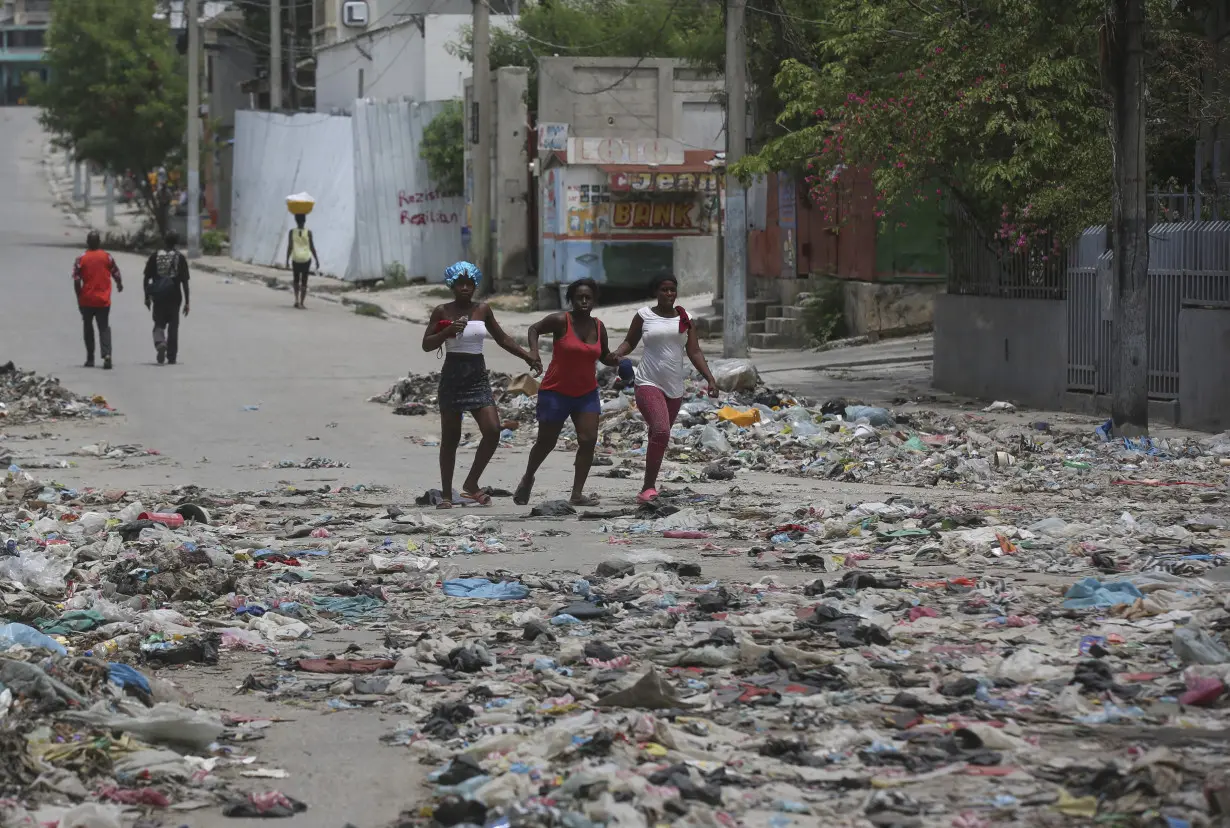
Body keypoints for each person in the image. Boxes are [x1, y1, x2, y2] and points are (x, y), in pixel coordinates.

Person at [421, 261, 540, 509]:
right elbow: (427, 344)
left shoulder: (483, 309)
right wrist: (447, 332)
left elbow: (502, 338)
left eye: (470, 283)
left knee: (493, 429)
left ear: (475, 285)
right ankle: (445, 494)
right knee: (450, 439)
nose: (465, 288)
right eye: (460, 284)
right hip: (453, 375)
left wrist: (527, 355)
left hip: (477, 376)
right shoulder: (442, 311)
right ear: (452, 285)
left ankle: (471, 482)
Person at [612, 274, 720, 504]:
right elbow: (630, 341)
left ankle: (647, 484)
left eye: (672, 290)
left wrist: (710, 379)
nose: (669, 294)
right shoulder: (644, 316)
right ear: (656, 292)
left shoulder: (685, 318)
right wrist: (619, 353)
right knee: (661, 431)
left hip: (674, 388)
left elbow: (694, 352)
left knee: (657, 435)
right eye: (664, 290)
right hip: (648, 382)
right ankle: (648, 488)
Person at [514, 278, 620, 507]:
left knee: (589, 439)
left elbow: (603, 355)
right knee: (546, 442)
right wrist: (533, 352)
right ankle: (528, 477)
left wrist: (616, 359)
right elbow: (534, 329)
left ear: (594, 300)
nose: (583, 301)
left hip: (586, 393)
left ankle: (577, 493)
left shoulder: (599, 327)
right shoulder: (561, 320)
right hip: (556, 392)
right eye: (579, 297)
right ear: (571, 300)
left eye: (588, 297)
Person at [72, 230, 123, 369]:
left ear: (87, 242)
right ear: (99, 242)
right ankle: (107, 354)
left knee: (88, 328)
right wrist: (119, 283)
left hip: (87, 300)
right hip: (103, 300)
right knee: (104, 327)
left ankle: (90, 358)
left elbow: (76, 280)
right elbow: (116, 272)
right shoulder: (107, 257)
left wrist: (79, 298)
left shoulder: (80, 259)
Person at [143, 231, 191, 365]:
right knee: (173, 327)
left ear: (164, 241)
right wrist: (187, 302)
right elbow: (185, 282)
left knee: (159, 323)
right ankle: (171, 356)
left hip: (159, 297)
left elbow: (146, 278)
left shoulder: (155, 256)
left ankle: (160, 343)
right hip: (175, 297)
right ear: (176, 242)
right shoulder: (180, 258)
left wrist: (147, 297)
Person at [285, 214, 319, 309]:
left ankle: (296, 300)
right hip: (305, 259)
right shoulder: (308, 232)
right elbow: (312, 247)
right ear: (305, 221)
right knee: (304, 280)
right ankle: (302, 302)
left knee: (296, 279)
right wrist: (316, 259)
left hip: (296, 258)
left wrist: (287, 260)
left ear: (296, 221)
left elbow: (290, 246)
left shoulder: (292, 232)